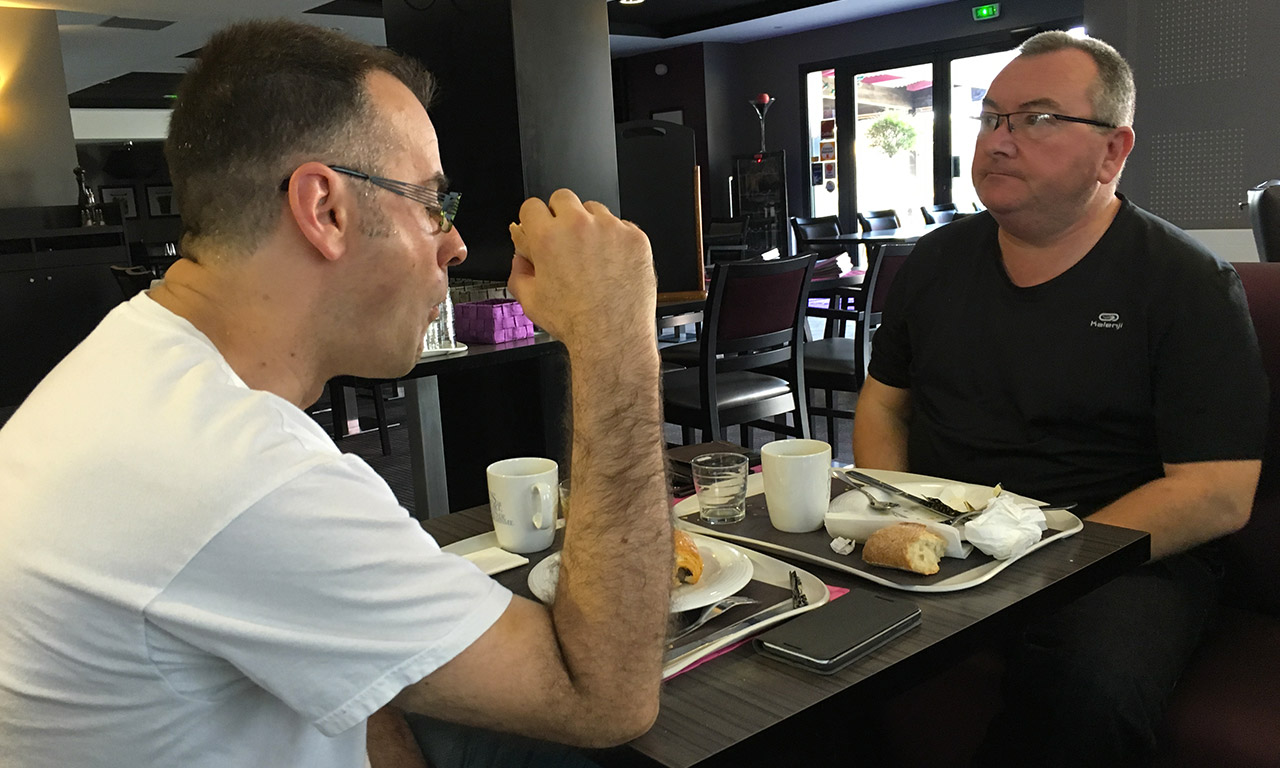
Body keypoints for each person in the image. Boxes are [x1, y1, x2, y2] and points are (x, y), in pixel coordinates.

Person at [0, 20, 672, 768]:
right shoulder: (236, 468)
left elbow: (333, 677)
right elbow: (607, 696)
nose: (453, 243)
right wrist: (617, 339)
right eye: (429, 203)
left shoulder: (137, 365)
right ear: (324, 209)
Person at [853, 31, 1267, 766]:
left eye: (1038, 119)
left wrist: (1046, 560)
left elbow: (1218, 493)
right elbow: (886, 404)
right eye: (992, 117)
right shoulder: (935, 262)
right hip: (945, 534)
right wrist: (896, 508)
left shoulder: (1186, 283)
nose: (1000, 141)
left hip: (1115, 553)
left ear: (1114, 150)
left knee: (1090, 686)